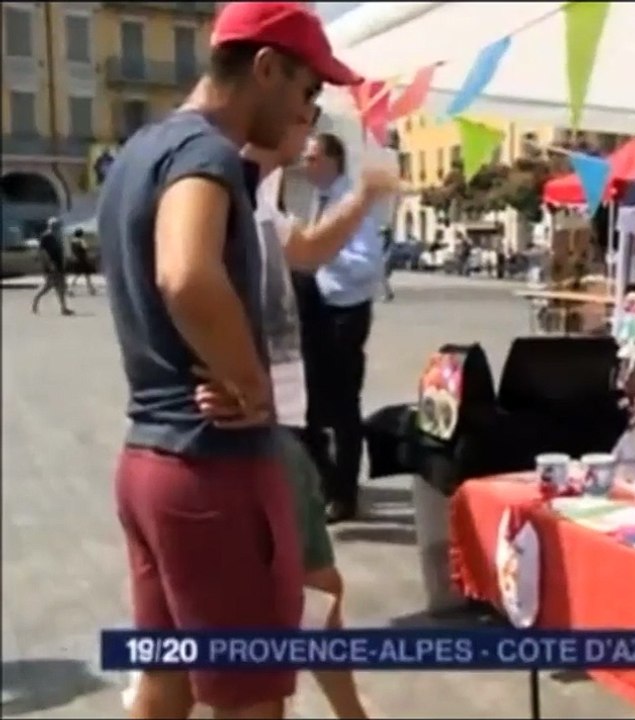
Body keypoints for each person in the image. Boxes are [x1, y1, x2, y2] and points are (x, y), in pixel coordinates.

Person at [95, 3, 361, 718]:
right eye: (307, 91)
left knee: (166, 683)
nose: (311, 110)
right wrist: (248, 382)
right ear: (266, 69)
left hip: (148, 460)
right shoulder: (205, 152)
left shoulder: (139, 152)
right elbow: (184, 274)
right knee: (250, 698)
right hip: (213, 470)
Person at [195, 108, 394, 719]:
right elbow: (181, 283)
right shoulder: (218, 191)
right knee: (290, 606)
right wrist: (229, 378)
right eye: (302, 109)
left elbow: (305, 250)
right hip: (257, 433)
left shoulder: (258, 200)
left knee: (312, 594)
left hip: (273, 425)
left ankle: (351, 714)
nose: (308, 136)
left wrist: (363, 195)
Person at [302, 132, 385, 523]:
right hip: (319, 309)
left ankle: (345, 494)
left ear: (334, 160)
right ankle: (329, 483)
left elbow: (368, 266)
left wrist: (323, 252)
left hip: (345, 313)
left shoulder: (351, 205)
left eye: (314, 157)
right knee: (315, 406)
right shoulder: (320, 201)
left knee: (343, 406)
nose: (307, 164)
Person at [32, 217, 72, 315]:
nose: (58, 227)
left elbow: (61, 251)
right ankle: (35, 302)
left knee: (60, 287)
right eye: (55, 225)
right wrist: (48, 265)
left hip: (59, 265)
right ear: (51, 225)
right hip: (52, 266)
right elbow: (41, 252)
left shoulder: (57, 236)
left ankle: (64, 308)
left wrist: (64, 262)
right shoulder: (46, 237)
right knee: (48, 287)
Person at [67, 228, 97, 295]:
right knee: (87, 275)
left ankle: (71, 289)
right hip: (83, 260)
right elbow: (86, 248)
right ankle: (91, 289)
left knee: (77, 275)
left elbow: (72, 251)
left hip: (77, 260)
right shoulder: (81, 241)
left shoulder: (73, 241)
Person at [380, 226, 395, 301]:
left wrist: (384, 259)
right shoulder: (388, 240)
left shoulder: (387, 240)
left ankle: (388, 294)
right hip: (385, 259)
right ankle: (389, 292)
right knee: (383, 278)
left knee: (383, 277)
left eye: (383, 233)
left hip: (384, 259)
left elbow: (386, 251)